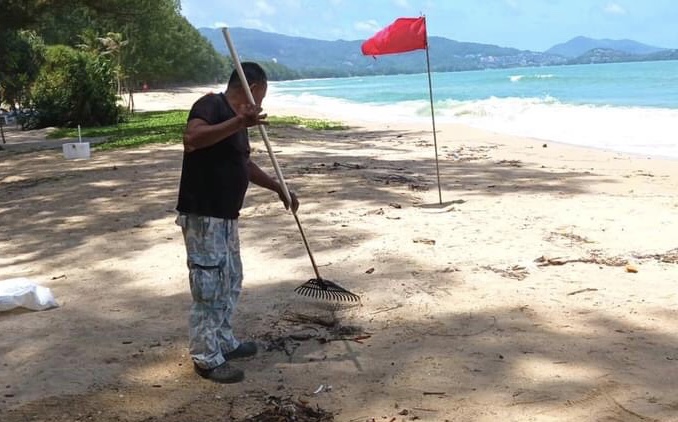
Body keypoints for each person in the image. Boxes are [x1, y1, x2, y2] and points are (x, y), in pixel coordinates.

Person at [176, 62, 299, 384]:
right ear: (253, 87)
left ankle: (224, 340)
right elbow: (193, 139)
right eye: (262, 94)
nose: (261, 102)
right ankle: (206, 357)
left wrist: (278, 188)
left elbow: (242, 163)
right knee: (209, 287)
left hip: (227, 217)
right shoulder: (210, 106)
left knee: (231, 280)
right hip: (204, 216)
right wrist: (237, 122)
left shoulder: (239, 121)